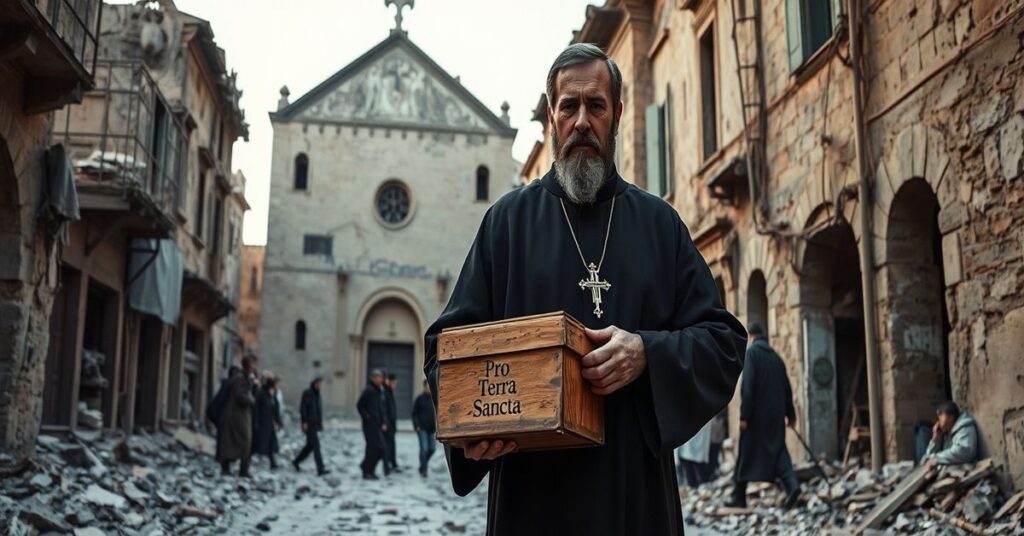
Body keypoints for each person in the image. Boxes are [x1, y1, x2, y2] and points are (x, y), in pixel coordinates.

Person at [422, 43, 746, 534]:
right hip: (531, 501)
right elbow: (445, 349)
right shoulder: (507, 224)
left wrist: (647, 352)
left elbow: (724, 341)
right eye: (568, 106)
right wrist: (472, 429)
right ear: (551, 116)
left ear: (616, 115)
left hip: (634, 499)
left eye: (595, 106)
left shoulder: (659, 225)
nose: (581, 121)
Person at [726, 323, 800, 509]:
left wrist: (744, 416)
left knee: (745, 453)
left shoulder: (751, 354)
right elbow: (787, 389)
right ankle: (793, 486)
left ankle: (739, 496)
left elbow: (748, 387)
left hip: (755, 419)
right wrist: (791, 415)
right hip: (775, 418)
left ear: (751, 336)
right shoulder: (777, 359)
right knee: (779, 451)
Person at [217, 356, 258, 477]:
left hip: (243, 415)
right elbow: (241, 396)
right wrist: (251, 399)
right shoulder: (239, 379)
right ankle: (228, 467)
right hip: (236, 416)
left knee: (245, 442)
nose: (254, 367)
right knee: (239, 441)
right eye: (252, 364)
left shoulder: (246, 378)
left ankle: (243, 469)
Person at [292, 377, 329, 476]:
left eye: (320, 384)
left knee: (309, 447)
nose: (319, 386)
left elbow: (317, 410)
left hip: (315, 424)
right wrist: (304, 422)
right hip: (309, 424)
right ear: (313, 384)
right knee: (316, 446)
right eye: (318, 384)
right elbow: (303, 408)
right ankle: (320, 469)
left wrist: (320, 424)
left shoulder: (317, 394)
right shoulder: (308, 393)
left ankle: (296, 461)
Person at [923, 401, 979, 466]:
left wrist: (936, 458)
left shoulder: (965, 428)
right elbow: (927, 458)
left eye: (941, 414)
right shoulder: (946, 433)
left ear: (951, 417)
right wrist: (935, 439)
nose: (938, 419)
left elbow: (964, 451)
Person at [357, 370, 389, 479]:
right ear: (373, 378)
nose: (381, 379)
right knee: (373, 449)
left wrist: (383, 422)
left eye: (381, 377)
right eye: (379, 377)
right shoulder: (368, 390)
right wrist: (367, 417)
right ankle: (367, 472)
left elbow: (381, 408)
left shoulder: (379, 391)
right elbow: (360, 406)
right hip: (369, 425)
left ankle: (367, 468)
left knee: (379, 449)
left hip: (377, 425)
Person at [252, 375, 281, 470]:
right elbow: (256, 408)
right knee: (257, 443)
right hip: (262, 422)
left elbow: (275, 409)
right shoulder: (261, 393)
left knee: (270, 443)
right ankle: (246, 460)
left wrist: (277, 421)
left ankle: (273, 462)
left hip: (269, 422)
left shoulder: (273, 394)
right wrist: (256, 422)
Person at [677, 419, 713, 488]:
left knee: (699, 464)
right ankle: (693, 486)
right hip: (686, 447)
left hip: (698, 439)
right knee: (688, 464)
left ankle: (703, 486)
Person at [412, 379, 437, 478]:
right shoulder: (419, 399)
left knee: (432, 449)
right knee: (424, 449)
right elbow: (414, 414)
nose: (429, 389)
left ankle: (423, 465)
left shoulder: (435, 398)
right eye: (427, 387)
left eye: (430, 387)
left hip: (432, 429)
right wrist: (416, 425)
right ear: (424, 387)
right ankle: (424, 470)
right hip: (422, 428)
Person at [383, 373, 400, 473]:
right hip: (387, 425)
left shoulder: (389, 391)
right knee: (386, 446)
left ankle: (393, 464)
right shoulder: (384, 392)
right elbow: (384, 409)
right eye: (393, 383)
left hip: (391, 424)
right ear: (388, 381)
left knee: (391, 445)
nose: (395, 385)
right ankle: (387, 467)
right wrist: (385, 423)